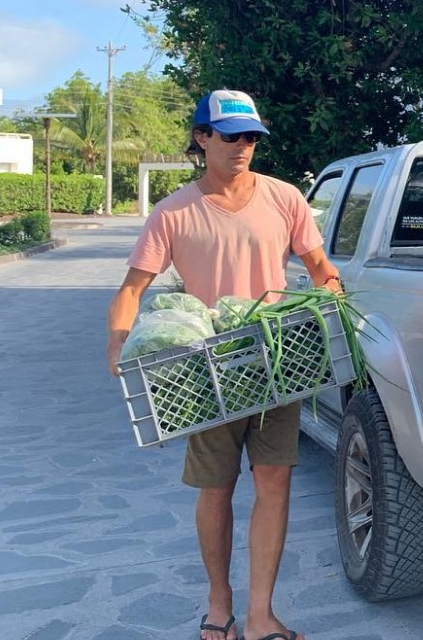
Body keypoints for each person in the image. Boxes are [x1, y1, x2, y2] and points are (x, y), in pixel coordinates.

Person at [107, 89, 342, 640]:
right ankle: (220, 605)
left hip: (275, 361)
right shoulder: (173, 212)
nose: (243, 146)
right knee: (215, 488)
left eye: (251, 137)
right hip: (205, 370)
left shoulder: (285, 198)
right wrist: (118, 348)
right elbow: (132, 290)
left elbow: (321, 269)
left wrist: (330, 297)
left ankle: (261, 615)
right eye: (231, 135)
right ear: (202, 138)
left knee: (274, 481)